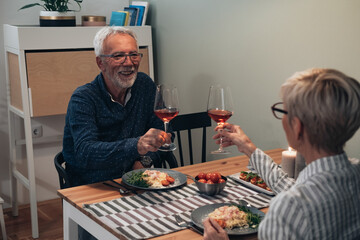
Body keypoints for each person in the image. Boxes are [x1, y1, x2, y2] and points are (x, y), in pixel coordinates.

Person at [203, 68, 360, 239]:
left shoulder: (289, 209)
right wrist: (248, 147)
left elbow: (296, 200)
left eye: (283, 111)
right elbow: (292, 187)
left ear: (298, 127)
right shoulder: (354, 172)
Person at [62, 26, 173, 187]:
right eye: (118, 56)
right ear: (101, 63)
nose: (128, 63)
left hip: (137, 181)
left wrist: (145, 160)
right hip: (93, 186)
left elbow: (165, 133)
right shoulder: (83, 98)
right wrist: (137, 146)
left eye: (133, 54)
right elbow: (85, 152)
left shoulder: (144, 85)